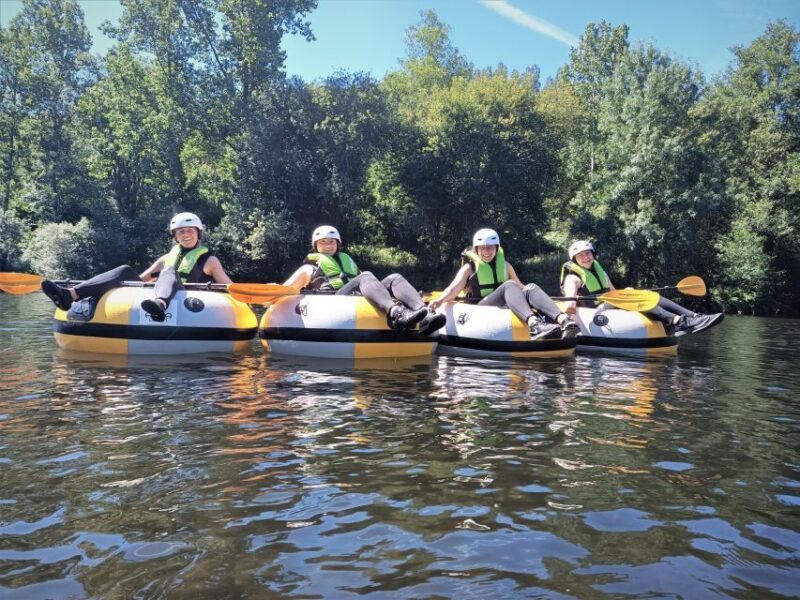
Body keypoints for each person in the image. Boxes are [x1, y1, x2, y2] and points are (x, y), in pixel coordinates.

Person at [40, 212, 232, 322]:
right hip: (155, 296)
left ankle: (160, 305)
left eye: (190, 231)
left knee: (168, 270)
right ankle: (70, 295)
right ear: (175, 236)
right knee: (124, 270)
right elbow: (140, 281)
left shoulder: (210, 261)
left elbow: (229, 287)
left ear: (198, 233)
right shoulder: (167, 257)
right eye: (181, 232)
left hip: (187, 299)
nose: (186, 234)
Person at [283, 225, 446, 335]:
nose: (327, 245)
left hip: (355, 297)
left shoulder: (347, 261)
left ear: (337, 244)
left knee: (394, 278)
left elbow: (368, 283)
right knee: (366, 275)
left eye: (331, 242)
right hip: (333, 301)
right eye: (323, 242)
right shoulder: (310, 267)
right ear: (315, 246)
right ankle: (397, 313)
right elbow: (289, 287)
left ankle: (426, 316)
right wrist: (276, 288)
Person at [428, 228, 579, 341]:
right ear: (477, 250)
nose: (487, 251)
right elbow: (453, 290)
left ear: (496, 248)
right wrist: (440, 300)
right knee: (509, 285)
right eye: (483, 248)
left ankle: (564, 321)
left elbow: (521, 287)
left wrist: (540, 301)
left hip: (504, 302)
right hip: (480, 307)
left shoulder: (505, 265)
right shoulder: (469, 268)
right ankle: (535, 325)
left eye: (491, 247)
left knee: (530, 287)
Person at [560, 240, 724, 335]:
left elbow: (613, 292)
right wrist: (575, 302)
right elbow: (569, 305)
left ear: (592, 254)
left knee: (651, 296)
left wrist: (626, 293)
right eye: (581, 255)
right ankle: (676, 321)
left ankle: (693, 316)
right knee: (634, 298)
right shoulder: (573, 278)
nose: (586, 257)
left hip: (609, 302)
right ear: (574, 260)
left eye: (588, 253)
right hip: (594, 309)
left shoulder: (599, 270)